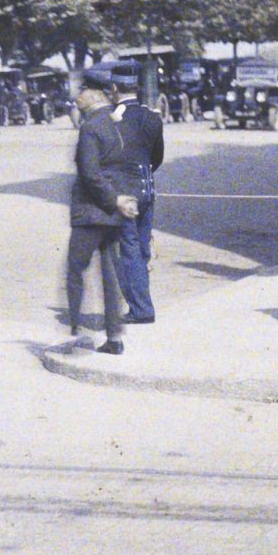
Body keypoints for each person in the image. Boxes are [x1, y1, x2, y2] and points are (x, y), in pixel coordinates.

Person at [65, 71, 132, 356]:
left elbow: (90, 174)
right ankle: (114, 337)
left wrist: (112, 200)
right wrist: (122, 202)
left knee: (75, 271)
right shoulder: (120, 123)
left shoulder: (90, 127)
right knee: (111, 276)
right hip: (115, 214)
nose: (76, 98)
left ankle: (77, 332)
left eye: (80, 92)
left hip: (91, 213)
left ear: (94, 94)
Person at [111, 73, 166, 326]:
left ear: (115, 88)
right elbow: (157, 156)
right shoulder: (152, 117)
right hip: (147, 189)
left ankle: (141, 309)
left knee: (130, 250)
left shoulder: (113, 119)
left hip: (124, 193)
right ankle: (141, 303)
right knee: (142, 249)